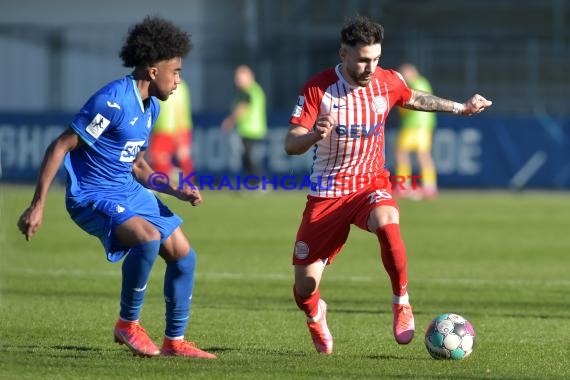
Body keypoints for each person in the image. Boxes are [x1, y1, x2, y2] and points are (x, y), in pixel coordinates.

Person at [284, 15, 491, 354]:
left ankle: (401, 302)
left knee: (388, 221)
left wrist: (461, 108)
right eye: (363, 59)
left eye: (376, 58)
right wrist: (312, 135)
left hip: (370, 184)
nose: (371, 66)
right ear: (343, 54)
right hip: (327, 195)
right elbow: (290, 144)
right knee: (305, 287)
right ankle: (315, 315)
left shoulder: (386, 81)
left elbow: (413, 97)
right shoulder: (317, 89)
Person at [17, 16, 216, 359]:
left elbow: (137, 165)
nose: (179, 80)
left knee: (184, 256)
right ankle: (127, 324)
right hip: (92, 195)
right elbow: (61, 145)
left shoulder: (151, 106)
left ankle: (175, 341)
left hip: (127, 189)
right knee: (148, 238)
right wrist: (38, 204)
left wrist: (177, 191)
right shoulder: (112, 101)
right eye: (176, 71)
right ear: (154, 71)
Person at [395, 63, 438, 199]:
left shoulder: (415, 84)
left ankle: (406, 187)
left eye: (405, 73)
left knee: (411, 154)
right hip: (421, 124)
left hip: (415, 125)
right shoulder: (422, 83)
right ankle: (428, 186)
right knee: (417, 155)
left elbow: (409, 103)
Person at [221, 65, 267, 186]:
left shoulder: (249, 91)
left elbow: (242, 108)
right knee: (247, 158)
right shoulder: (252, 90)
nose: (237, 81)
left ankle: (259, 183)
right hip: (250, 130)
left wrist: (230, 121)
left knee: (251, 158)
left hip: (251, 130)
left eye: (240, 78)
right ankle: (253, 183)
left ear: (249, 77)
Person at [148, 79, 195, 179]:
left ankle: (188, 183)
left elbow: (180, 108)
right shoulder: (159, 85)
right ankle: (167, 181)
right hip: (161, 128)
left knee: (182, 156)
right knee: (158, 157)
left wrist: (179, 129)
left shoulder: (179, 87)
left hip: (175, 128)